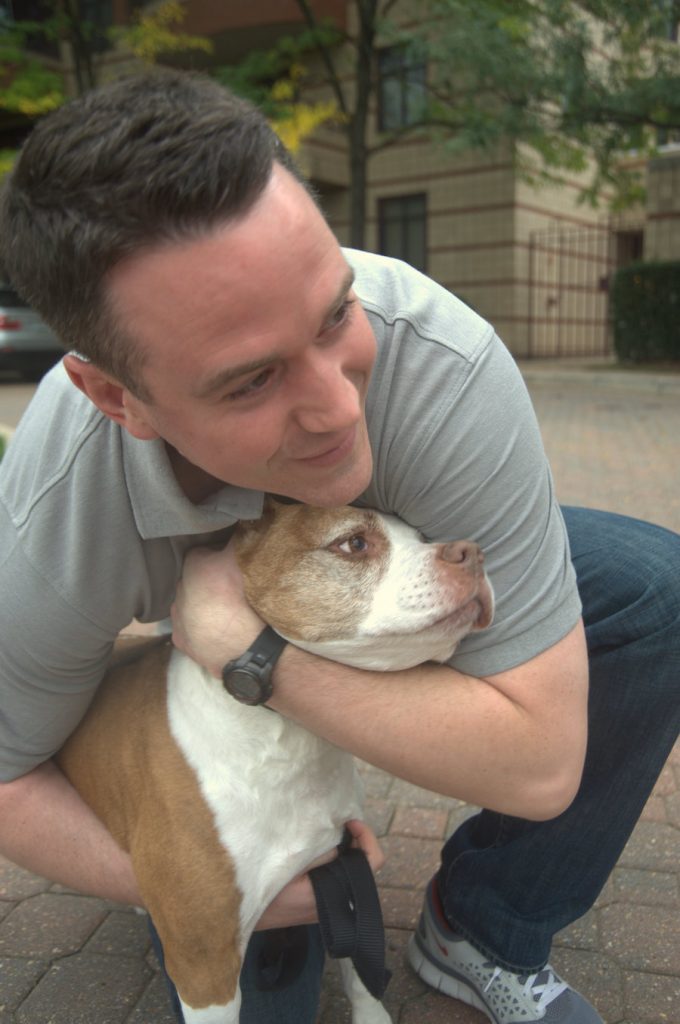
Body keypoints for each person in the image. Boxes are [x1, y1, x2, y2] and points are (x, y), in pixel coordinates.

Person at [0, 70, 677, 1024]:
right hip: (189, 739)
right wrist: (188, 879)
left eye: (334, 317)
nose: (338, 404)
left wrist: (252, 654)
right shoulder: (57, 509)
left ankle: (482, 925)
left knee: (653, 593)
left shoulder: (445, 366)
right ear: (119, 398)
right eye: (250, 381)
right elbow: (6, 777)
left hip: (304, 612)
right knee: (269, 983)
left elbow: (539, 766)